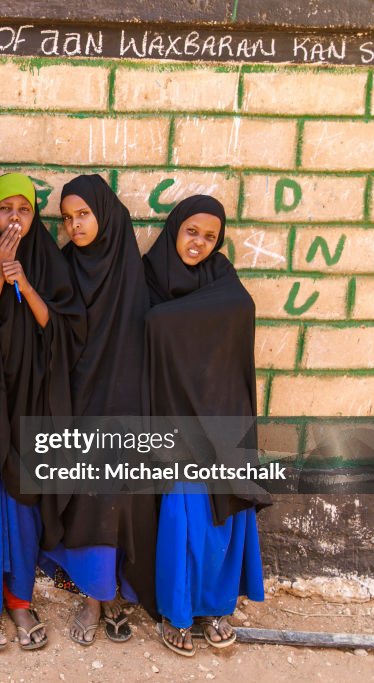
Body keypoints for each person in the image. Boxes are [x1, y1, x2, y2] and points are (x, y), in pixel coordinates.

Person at [142, 195, 269, 657]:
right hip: (172, 417)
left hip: (220, 415)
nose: (198, 243)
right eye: (192, 231)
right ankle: (176, 614)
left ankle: (217, 608)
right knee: (185, 515)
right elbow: (145, 327)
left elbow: (239, 314)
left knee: (226, 519)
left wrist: (170, 323)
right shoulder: (147, 276)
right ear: (176, 227)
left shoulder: (222, 277)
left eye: (210, 237)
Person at [38, 174, 158, 646]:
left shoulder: (131, 266)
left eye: (82, 215)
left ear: (104, 214)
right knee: (86, 498)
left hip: (124, 402)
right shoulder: (63, 264)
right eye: (66, 218)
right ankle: (93, 597)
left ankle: (110, 594)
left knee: (117, 498)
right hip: (77, 398)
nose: (73, 226)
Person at [0, 173, 84, 653]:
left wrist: (25, 281)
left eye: (23, 209)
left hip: (31, 402)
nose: (13, 218)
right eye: (3, 209)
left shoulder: (48, 261)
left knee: (23, 504)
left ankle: (19, 600)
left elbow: (63, 330)